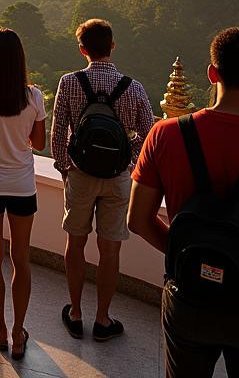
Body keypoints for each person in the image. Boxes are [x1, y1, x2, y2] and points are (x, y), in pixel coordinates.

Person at [129, 27, 239, 378]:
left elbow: (138, 220)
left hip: (189, 294)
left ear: (212, 73)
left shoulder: (167, 134)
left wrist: (187, 256)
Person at [50, 18, 155, 342]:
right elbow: (149, 130)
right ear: (112, 46)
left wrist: (66, 166)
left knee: (76, 243)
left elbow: (57, 133)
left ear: (83, 49)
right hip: (117, 178)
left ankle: (77, 312)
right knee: (110, 250)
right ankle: (103, 319)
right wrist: (127, 157)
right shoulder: (133, 87)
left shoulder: (69, 82)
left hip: (80, 175)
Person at [0, 28, 46, 361]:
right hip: (21, 186)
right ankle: (18, 333)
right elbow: (39, 143)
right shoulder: (33, 96)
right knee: (21, 258)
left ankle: (0, 326)